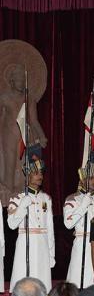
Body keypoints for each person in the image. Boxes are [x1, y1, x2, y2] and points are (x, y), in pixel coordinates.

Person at [8, 150, 54, 292]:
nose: (40, 176)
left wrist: (51, 253)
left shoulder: (46, 199)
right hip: (25, 244)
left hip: (42, 245)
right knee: (24, 282)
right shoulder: (17, 199)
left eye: (41, 173)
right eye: (36, 173)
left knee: (42, 284)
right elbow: (11, 224)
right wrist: (22, 206)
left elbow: (50, 229)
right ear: (27, 175)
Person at [0, 64, 47, 201]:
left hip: (25, 135)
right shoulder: (4, 98)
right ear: (12, 81)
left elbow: (34, 120)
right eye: (18, 79)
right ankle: (7, 192)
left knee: (24, 164)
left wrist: (42, 136)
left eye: (23, 80)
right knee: (9, 162)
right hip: (8, 133)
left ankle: (23, 191)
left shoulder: (29, 98)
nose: (21, 83)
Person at [64, 161, 94, 288]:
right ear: (82, 180)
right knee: (78, 281)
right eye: (91, 178)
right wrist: (84, 204)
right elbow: (68, 224)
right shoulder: (72, 199)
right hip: (82, 242)